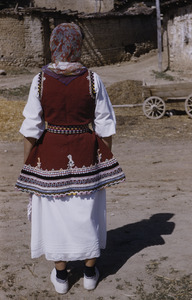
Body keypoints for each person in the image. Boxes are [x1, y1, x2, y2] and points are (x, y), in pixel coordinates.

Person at [16, 23, 125, 294]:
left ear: (54, 45)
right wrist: (101, 155)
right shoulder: (92, 79)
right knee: (87, 211)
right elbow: (105, 124)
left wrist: (28, 163)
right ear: (77, 46)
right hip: (85, 151)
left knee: (55, 214)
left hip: (50, 152)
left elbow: (31, 129)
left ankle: (62, 277)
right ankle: (89, 273)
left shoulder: (40, 80)